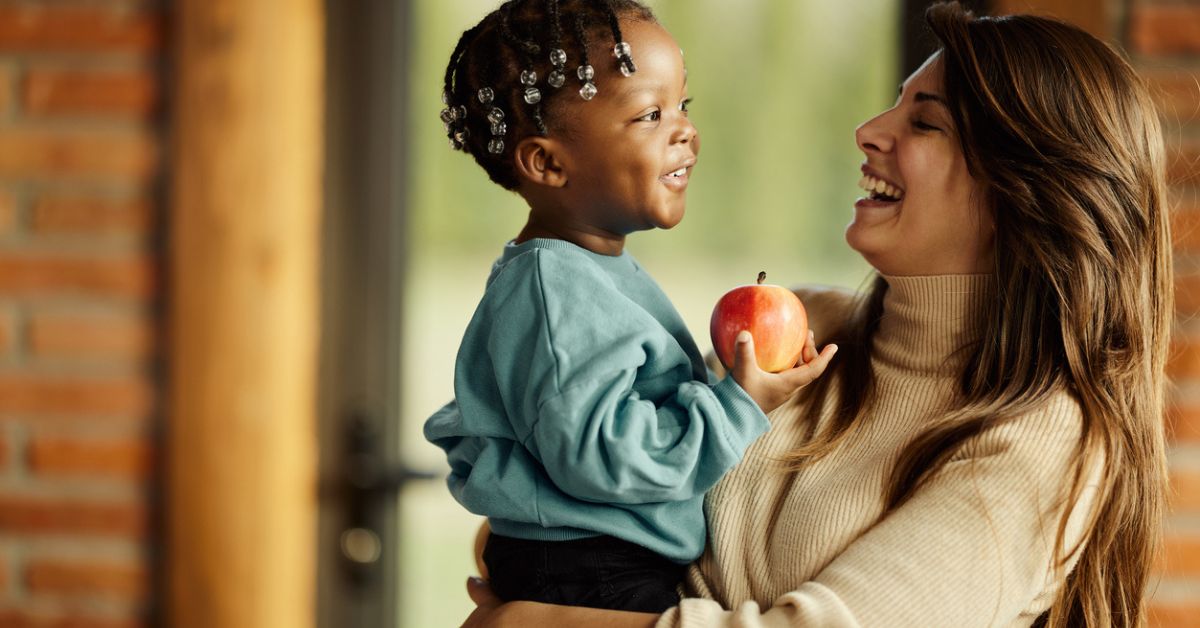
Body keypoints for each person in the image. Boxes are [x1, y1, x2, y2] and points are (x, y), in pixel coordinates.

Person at [461, 2, 1172, 626]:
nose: (868, 129)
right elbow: (593, 488)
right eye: (896, 102)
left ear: (1022, 194)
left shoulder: (1040, 443)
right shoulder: (802, 328)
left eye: (924, 123)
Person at [423, 0, 837, 615]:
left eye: (683, 107)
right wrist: (738, 404)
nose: (686, 130)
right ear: (547, 163)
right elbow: (600, 456)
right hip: (589, 571)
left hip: (596, 560)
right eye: (650, 114)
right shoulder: (552, 288)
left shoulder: (588, 271)